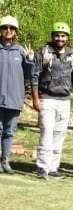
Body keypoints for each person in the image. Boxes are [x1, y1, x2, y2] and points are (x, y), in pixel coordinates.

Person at [31, 22, 73, 180]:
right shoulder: (44, 52)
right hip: (47, 98)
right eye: (57, 35)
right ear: (52, 36)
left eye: (63, 36)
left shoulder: (72, 54)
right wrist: (36, 98)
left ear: (67, 37)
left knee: (60, 133)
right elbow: (35, 76)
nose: (60, 38)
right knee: (47, 131)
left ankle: (53, 167)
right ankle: (42, 167)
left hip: (64, 100)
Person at [0, 15, 34, 174]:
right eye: (4, 28)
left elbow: (29, 74)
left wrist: (30, 60)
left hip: (14, 98)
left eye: (11, 28)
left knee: (9, 131)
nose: (8, 30)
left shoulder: (20, 51)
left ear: (15, 32)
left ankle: (5, 161)